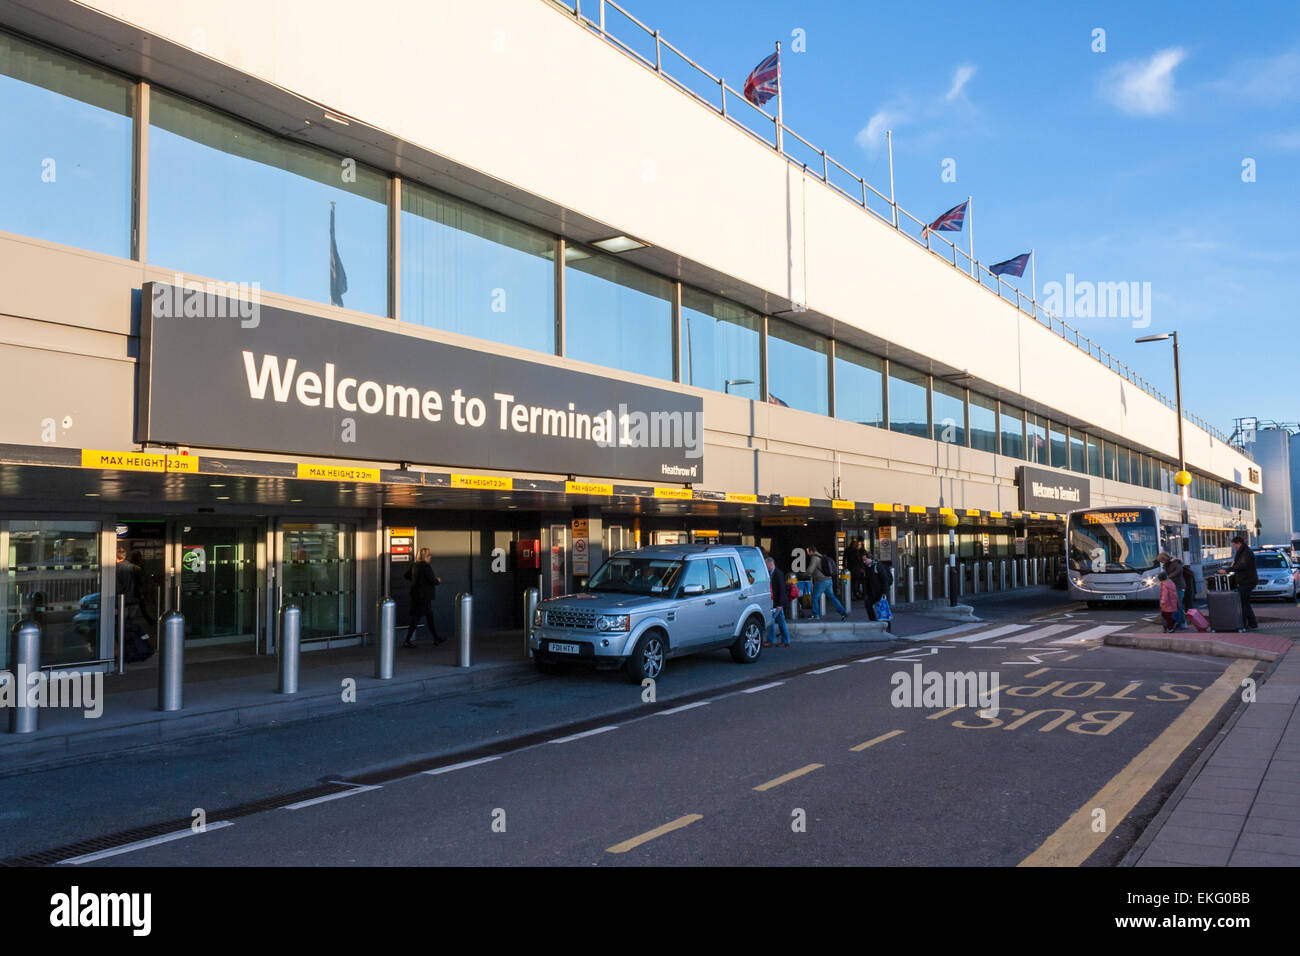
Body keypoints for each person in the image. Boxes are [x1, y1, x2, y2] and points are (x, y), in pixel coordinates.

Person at [115, 545, 152, 662]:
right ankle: (134, 650)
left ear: (116, 557)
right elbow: (141, 584)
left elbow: (117, 588)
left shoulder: (115, 569)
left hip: (122, 602)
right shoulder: (135, 568)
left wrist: (116, 606)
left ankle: (127, 652)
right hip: (134, 601)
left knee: (121, 628)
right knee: (129, 625)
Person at [403, 547, 443, 648]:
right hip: (424, 596)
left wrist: (417, 579)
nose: (430, 557)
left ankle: (436, 638)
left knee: (428, 617)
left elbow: (406, 575)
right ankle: (407, 640)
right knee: (417, 618)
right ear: (425, 556)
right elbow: (432, 580)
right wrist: (438, 580)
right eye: (429, 555)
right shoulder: (426, 566)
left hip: (416, 595)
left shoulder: (414, 565)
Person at [807, 545, 848, 621]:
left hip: (821, 581)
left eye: (808, 551)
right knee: (832, 597)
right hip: (829, 580)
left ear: (811, 551)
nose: (808, 553)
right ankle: (843, 612)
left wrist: (804, 574)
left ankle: (816, 614)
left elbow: (810, 570)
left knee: (815, 597)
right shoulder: (821, 556)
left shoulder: (814, 558)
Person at [1226, 536, 1259, 631]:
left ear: (1239, 544)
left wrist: (1228, 570)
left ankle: (1245, 624)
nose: (1234, 547)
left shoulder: (1245, 553)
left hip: (1247, 581)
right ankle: (1252, 623)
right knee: (1245, 602)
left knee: (1243, 603)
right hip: (1246, 580)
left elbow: (1242, 565)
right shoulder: (1244, 552)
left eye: (1234, 545)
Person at [765, 554, 792, 647]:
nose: (765, 566)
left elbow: (781, 590)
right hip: (777, 603)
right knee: (781, 621)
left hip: (778, 603)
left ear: (771, 564)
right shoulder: (773, 573)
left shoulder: (778, 574)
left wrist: (779, 604)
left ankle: (772, 640)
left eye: (766, 564)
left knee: (771, 620)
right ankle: (786, 641)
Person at [1156, 551, 1187, 630]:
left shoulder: (1175, 563)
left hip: (1178, 586)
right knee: (1174, 605)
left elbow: (1179, 571)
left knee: (1178, 605)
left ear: (1165, 559)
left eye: (1161, 561)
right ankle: (1176, 622)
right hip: (1172, 586)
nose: (1161, 563)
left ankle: (1183, 622)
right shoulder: (1167, 564)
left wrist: (1168, 577)